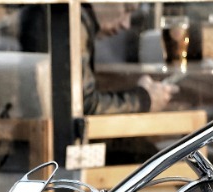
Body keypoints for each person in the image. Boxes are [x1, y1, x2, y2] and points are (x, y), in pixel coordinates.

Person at [18, 3, 176, 115]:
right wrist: (143, 99)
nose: (126, 24)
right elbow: (82, 105)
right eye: (126, 9)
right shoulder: (69, 18)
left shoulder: (69, 16)